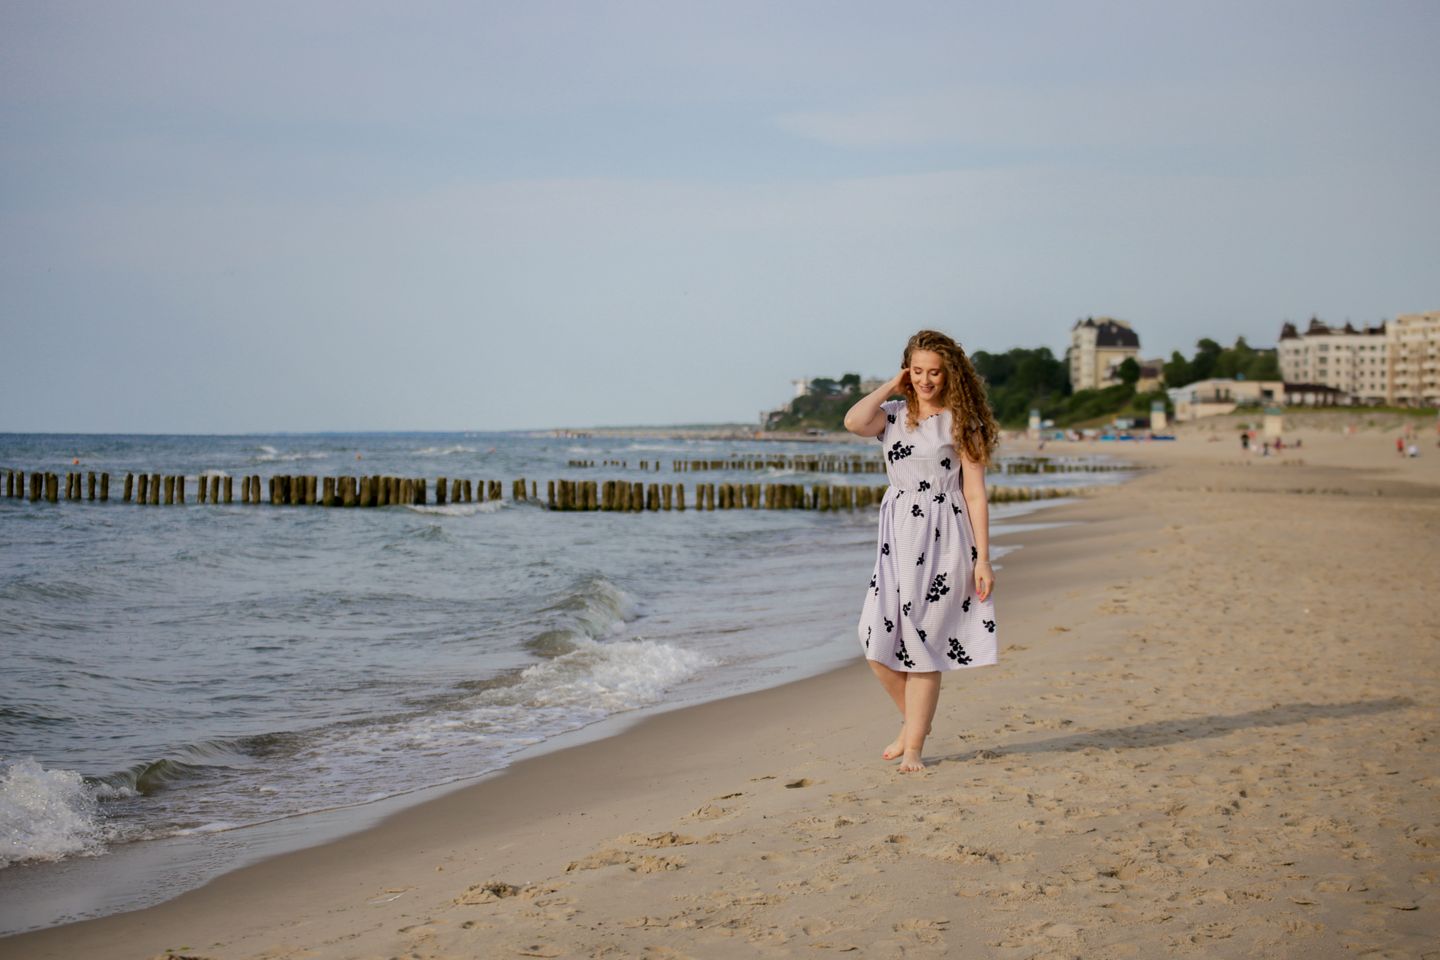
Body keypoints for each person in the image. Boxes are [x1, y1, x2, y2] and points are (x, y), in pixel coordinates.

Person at [843, 330, 1000, 773]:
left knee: (922, 643)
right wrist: (891, 387)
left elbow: (975, 494)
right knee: (873, 639)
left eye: (934, 372)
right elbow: (853, 422)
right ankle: (917, 723)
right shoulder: (892, 415)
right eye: (917, 371)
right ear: (906, 371)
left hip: (945, 536)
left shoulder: (962, 422)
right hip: (897, 537)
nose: (925, 380)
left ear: (950, 374)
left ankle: (913, 747)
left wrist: (983, 558)